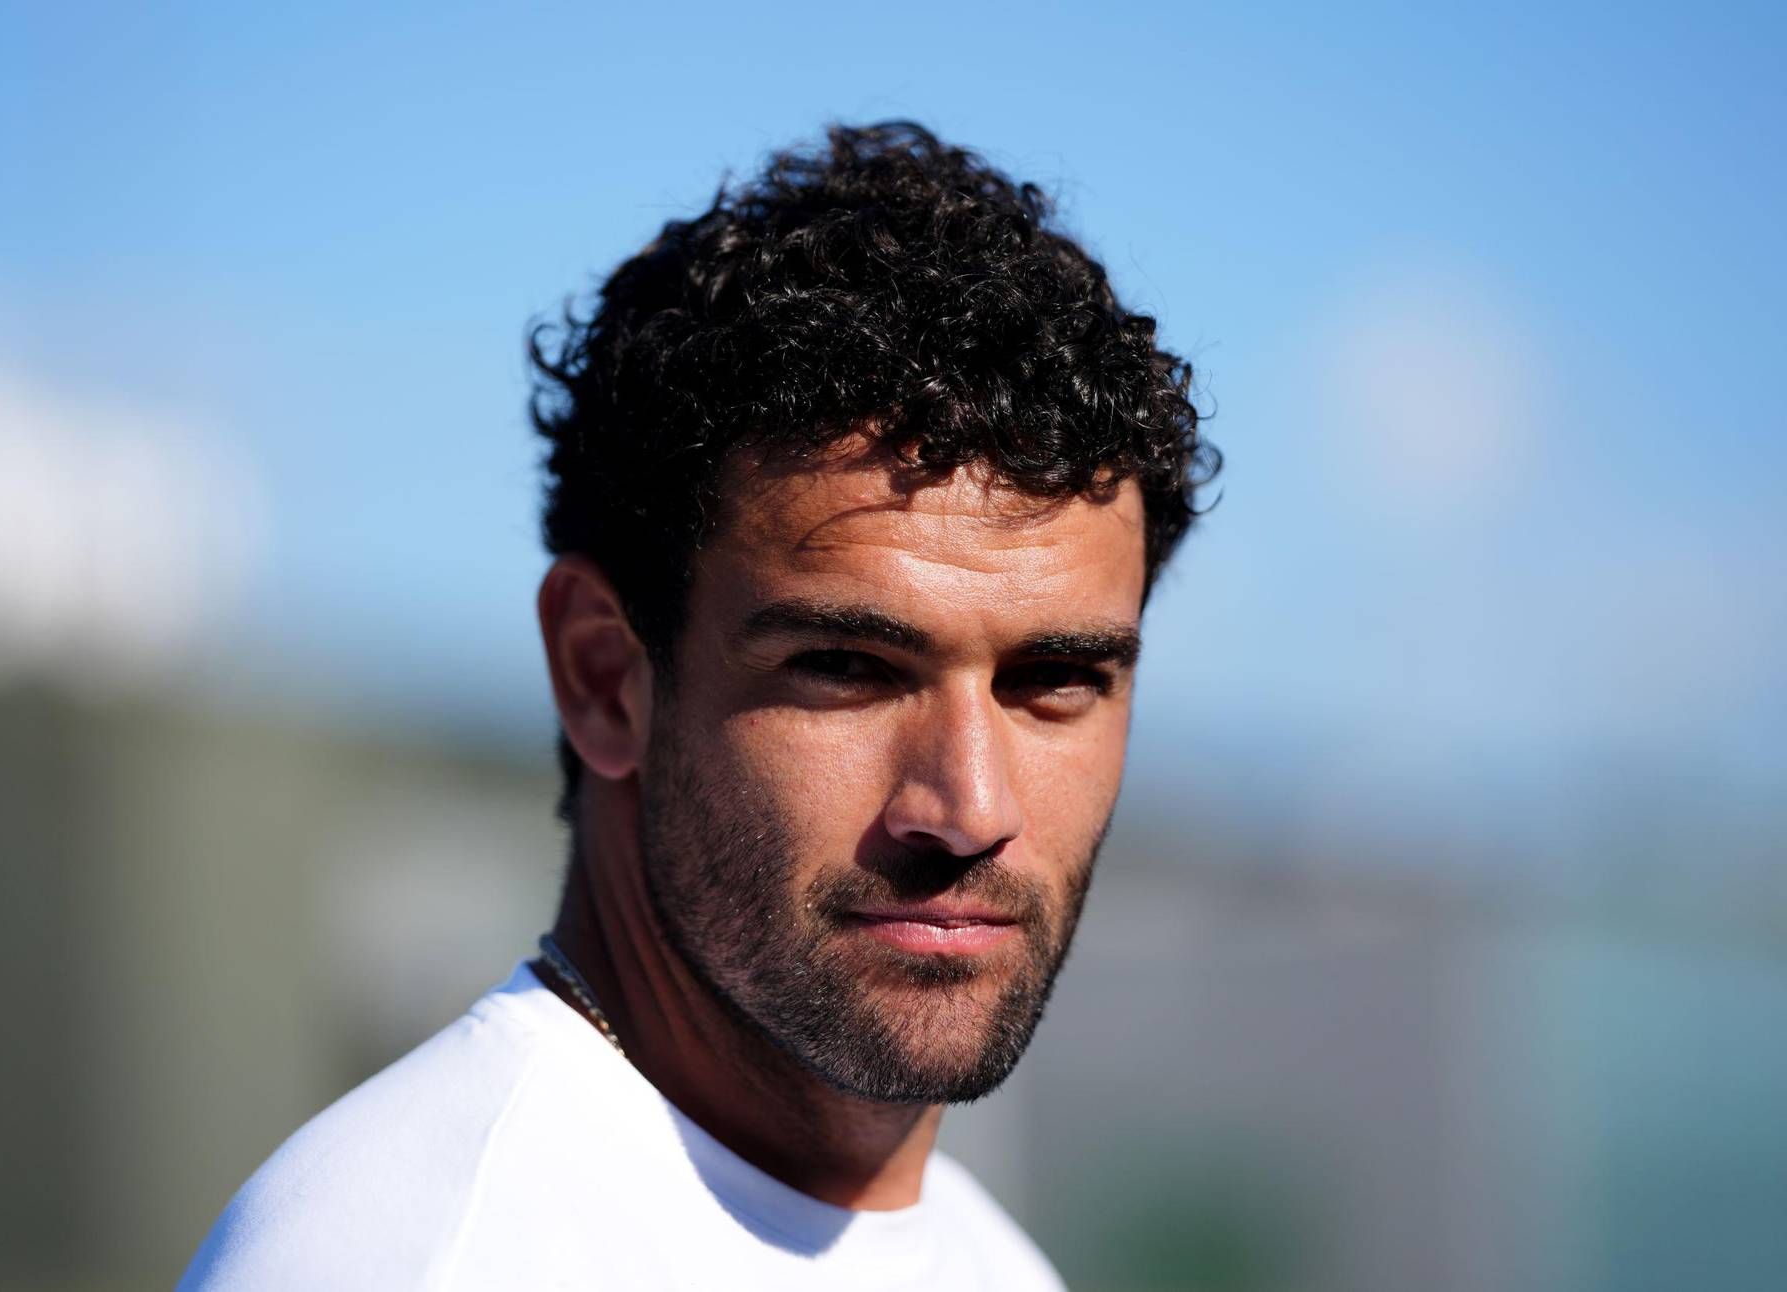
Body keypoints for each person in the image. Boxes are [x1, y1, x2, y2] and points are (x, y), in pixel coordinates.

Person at [180, 120, 1217, 1290]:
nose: (970, 806)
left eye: (1055, 681)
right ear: (603, 676)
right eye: (847, 667)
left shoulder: (998, 1268)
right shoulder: (416, 1257)